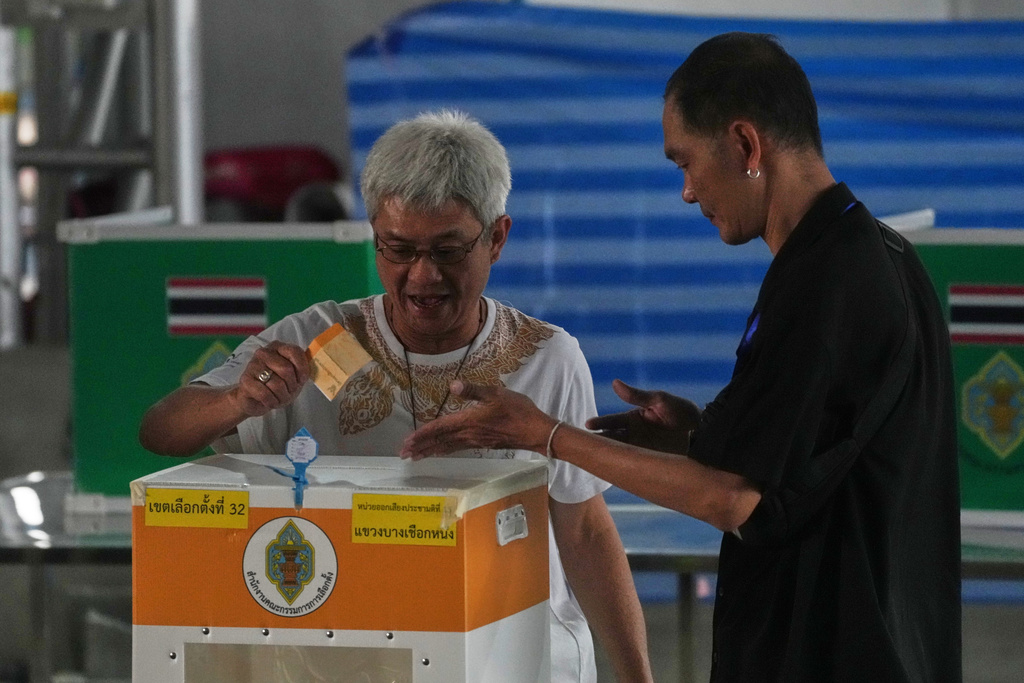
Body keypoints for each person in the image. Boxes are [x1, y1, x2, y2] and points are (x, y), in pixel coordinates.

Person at [399, 34, 962, 682]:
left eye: (685, 162)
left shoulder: (825, 284)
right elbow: (812, 454)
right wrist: (696, 434)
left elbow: (736, 499)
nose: (689, 192)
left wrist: (545, 435)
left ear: (746, 145)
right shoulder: (878, 254)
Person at [138, 110, 652, 683]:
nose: (422, 277)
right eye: (399, 248)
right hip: (350, 664)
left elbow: (583, 528)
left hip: (514, 662)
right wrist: (237, 400)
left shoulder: (546, 360)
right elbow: (159, 432)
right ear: (374, 235)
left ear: (497, 238)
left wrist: (637, 676)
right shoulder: (315, 341)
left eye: (449, 251)